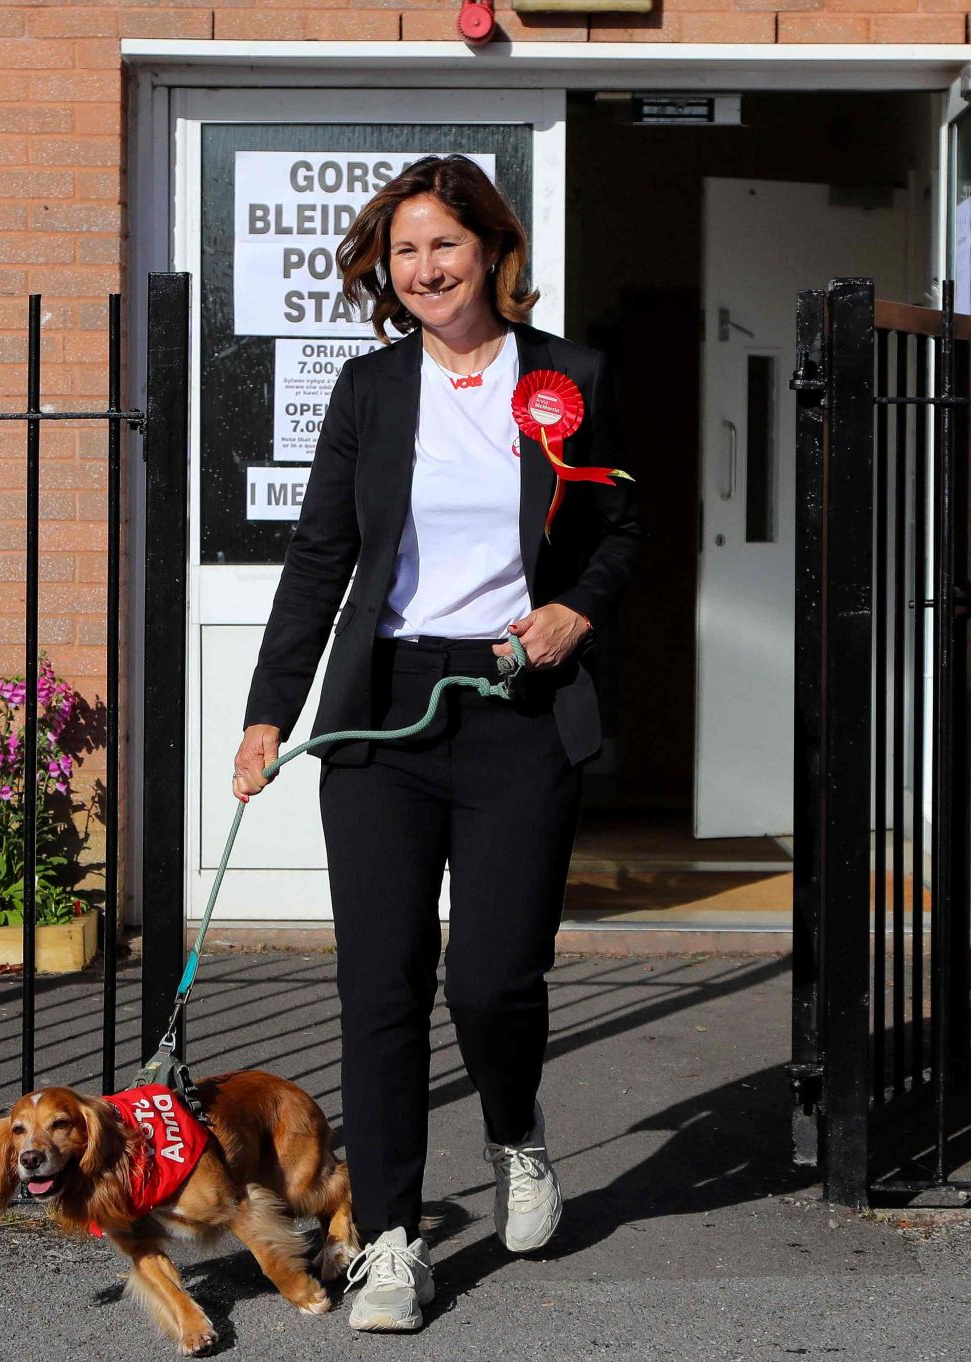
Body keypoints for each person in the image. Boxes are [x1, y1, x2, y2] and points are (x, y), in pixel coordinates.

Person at [231, 154, 643, 1333]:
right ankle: (395, 1240)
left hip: (518, 700)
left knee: (496, 977)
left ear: (492, 252)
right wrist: (269, 714)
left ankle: (516, 1130)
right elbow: (322, 560)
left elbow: (626, 527)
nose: (425, 270)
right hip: (385, 708)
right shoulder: (368, 390)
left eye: (444, 247)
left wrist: (577, 611)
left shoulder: (568, 374)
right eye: (404, 252)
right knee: (382, 983)